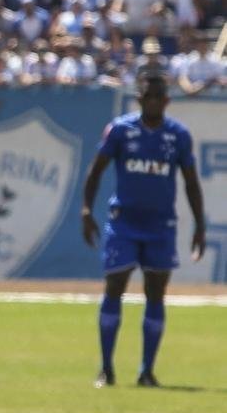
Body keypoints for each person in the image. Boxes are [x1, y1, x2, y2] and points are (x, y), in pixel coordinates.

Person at [81, 74, 205, 388]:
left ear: (166, 101)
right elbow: (96, 170)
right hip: (123, 223)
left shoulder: (178, 135)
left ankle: (146, 371)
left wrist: (200, 224)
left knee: (155, 294)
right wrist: (86, 209)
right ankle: (106, 369)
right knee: (114, 288)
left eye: (158, 97)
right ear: (139, 99)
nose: (152, 101)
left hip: (161, 226)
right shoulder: (121, 130)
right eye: (147, 96)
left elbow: (190, 181)